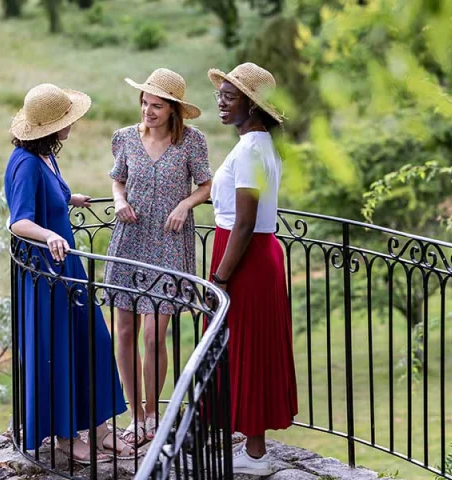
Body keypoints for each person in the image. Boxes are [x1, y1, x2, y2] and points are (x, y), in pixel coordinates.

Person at [5, 83, 134, 463]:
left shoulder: (44, 155)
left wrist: (68, 198)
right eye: (66, 120)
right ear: (47, 127)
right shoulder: (25, 164)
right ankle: (64, 437)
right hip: (46, 276)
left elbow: (50, 196)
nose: (72, 124)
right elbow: (19, 222)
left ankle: (100, 428)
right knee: (57, 351)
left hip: (67, 268)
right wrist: (48, 235)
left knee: (91, 339)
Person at [103, 68, 212, 446]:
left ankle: (153, 413)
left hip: (168, 243)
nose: (148, 111)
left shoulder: (192, 143)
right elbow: (118, 178)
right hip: (130, 240)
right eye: (145, 103)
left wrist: (185, 203)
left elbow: (206, 185)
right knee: (126, 332)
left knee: (153, 335)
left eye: (157, 106)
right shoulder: (125, 139)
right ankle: (136, 417)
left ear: (173, 110)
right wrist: (119, 201)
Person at [206, 63, 298, 475]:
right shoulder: (256, 146)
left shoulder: (252, 149)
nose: (220, 102)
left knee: (249, 347)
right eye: (221, 94)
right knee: (242, 345)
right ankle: (249, 440)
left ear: (252, 104)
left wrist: (220, 277)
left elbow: (244, 222)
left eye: (230, 96)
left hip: (246, 257)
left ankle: (257, 453)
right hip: (250, 252)